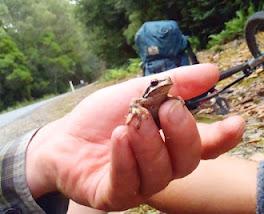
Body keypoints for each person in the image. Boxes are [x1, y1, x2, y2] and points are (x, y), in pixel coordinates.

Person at [0, 64, 246, 213]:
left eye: (165, 82)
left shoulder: (165, 95)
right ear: (150, 87)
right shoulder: (144, 99)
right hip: (136, 129)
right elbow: (135, 104)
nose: (164, 83)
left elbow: (171, 99)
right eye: (157, 82)